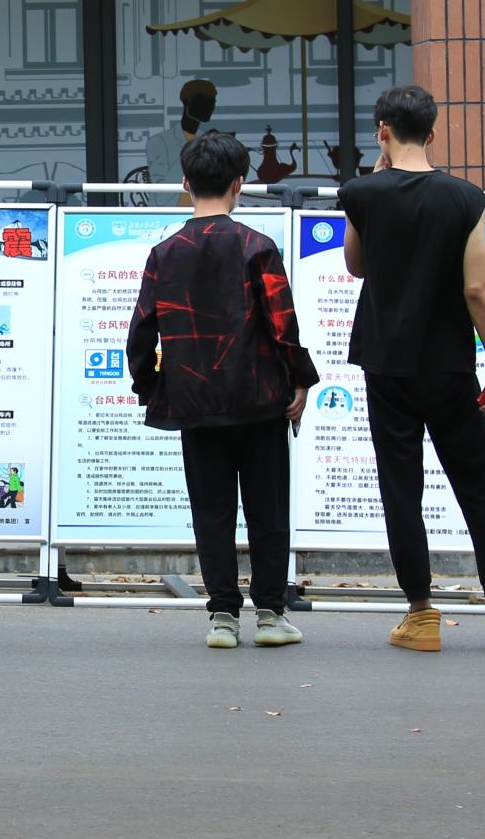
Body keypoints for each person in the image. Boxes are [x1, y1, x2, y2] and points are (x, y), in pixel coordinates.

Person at [340, 85, 485, 652]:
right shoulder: (466, 198)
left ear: (382, 131)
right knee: (479, 484)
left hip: (385, 364)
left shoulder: (360, 194)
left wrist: (373, 188)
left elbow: (357, 265)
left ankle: (420, 615)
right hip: (448, 365)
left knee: (400, 487)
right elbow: (476, 288)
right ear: (433, 133)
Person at [127, 132, 318, 649]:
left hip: (195, 402)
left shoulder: (164, 253)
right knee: (267, 511)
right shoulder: (258, 246)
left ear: (185, 183)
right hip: (259, 400)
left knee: (211, 512)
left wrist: (151, 386)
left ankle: (222, 619)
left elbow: (142, 329)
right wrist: (299, 379)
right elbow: (283, 324)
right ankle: (272, 614)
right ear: (240, 183)